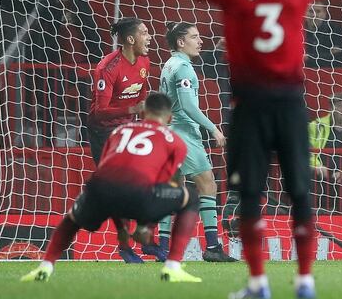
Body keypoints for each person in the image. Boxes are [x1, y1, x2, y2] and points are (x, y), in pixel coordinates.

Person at [121, 0, 342, 299]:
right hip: (289, 104)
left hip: (249, 106)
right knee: (300, 194)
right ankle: (305, 280)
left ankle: (257, 282)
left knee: (250, 196)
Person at [21, 93, 202, 283]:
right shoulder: (175, 141)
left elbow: (113, 180)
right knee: (190, 198)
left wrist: (121, 229)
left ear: (142, 113)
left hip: (99, 189)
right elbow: (159, 186)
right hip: (139, 193)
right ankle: (172, 267)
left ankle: (45, 267)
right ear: (170, 118)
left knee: (71, 220)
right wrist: (145, 226)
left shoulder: (119, 132)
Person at [87, 17, 164, 263]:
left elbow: (140, 98)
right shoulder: (107, 68)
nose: (150, 37)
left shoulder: (144, 62)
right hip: (104, 133)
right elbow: (100, 111)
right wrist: (133, 109)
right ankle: (125, 248)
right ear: (130, 39)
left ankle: (147, 241)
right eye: (144, 33)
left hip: (129, 128)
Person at [158, 22, 235, 262]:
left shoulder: (169, 64)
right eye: (194, 37)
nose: (200, 41)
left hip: (168, 131)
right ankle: (212, 246)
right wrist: (213, 129)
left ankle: (162, 248)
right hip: (184, 133)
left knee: (172, 189)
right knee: (208, 184)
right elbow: (189, 106)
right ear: (181, 42)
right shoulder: (184, 68)